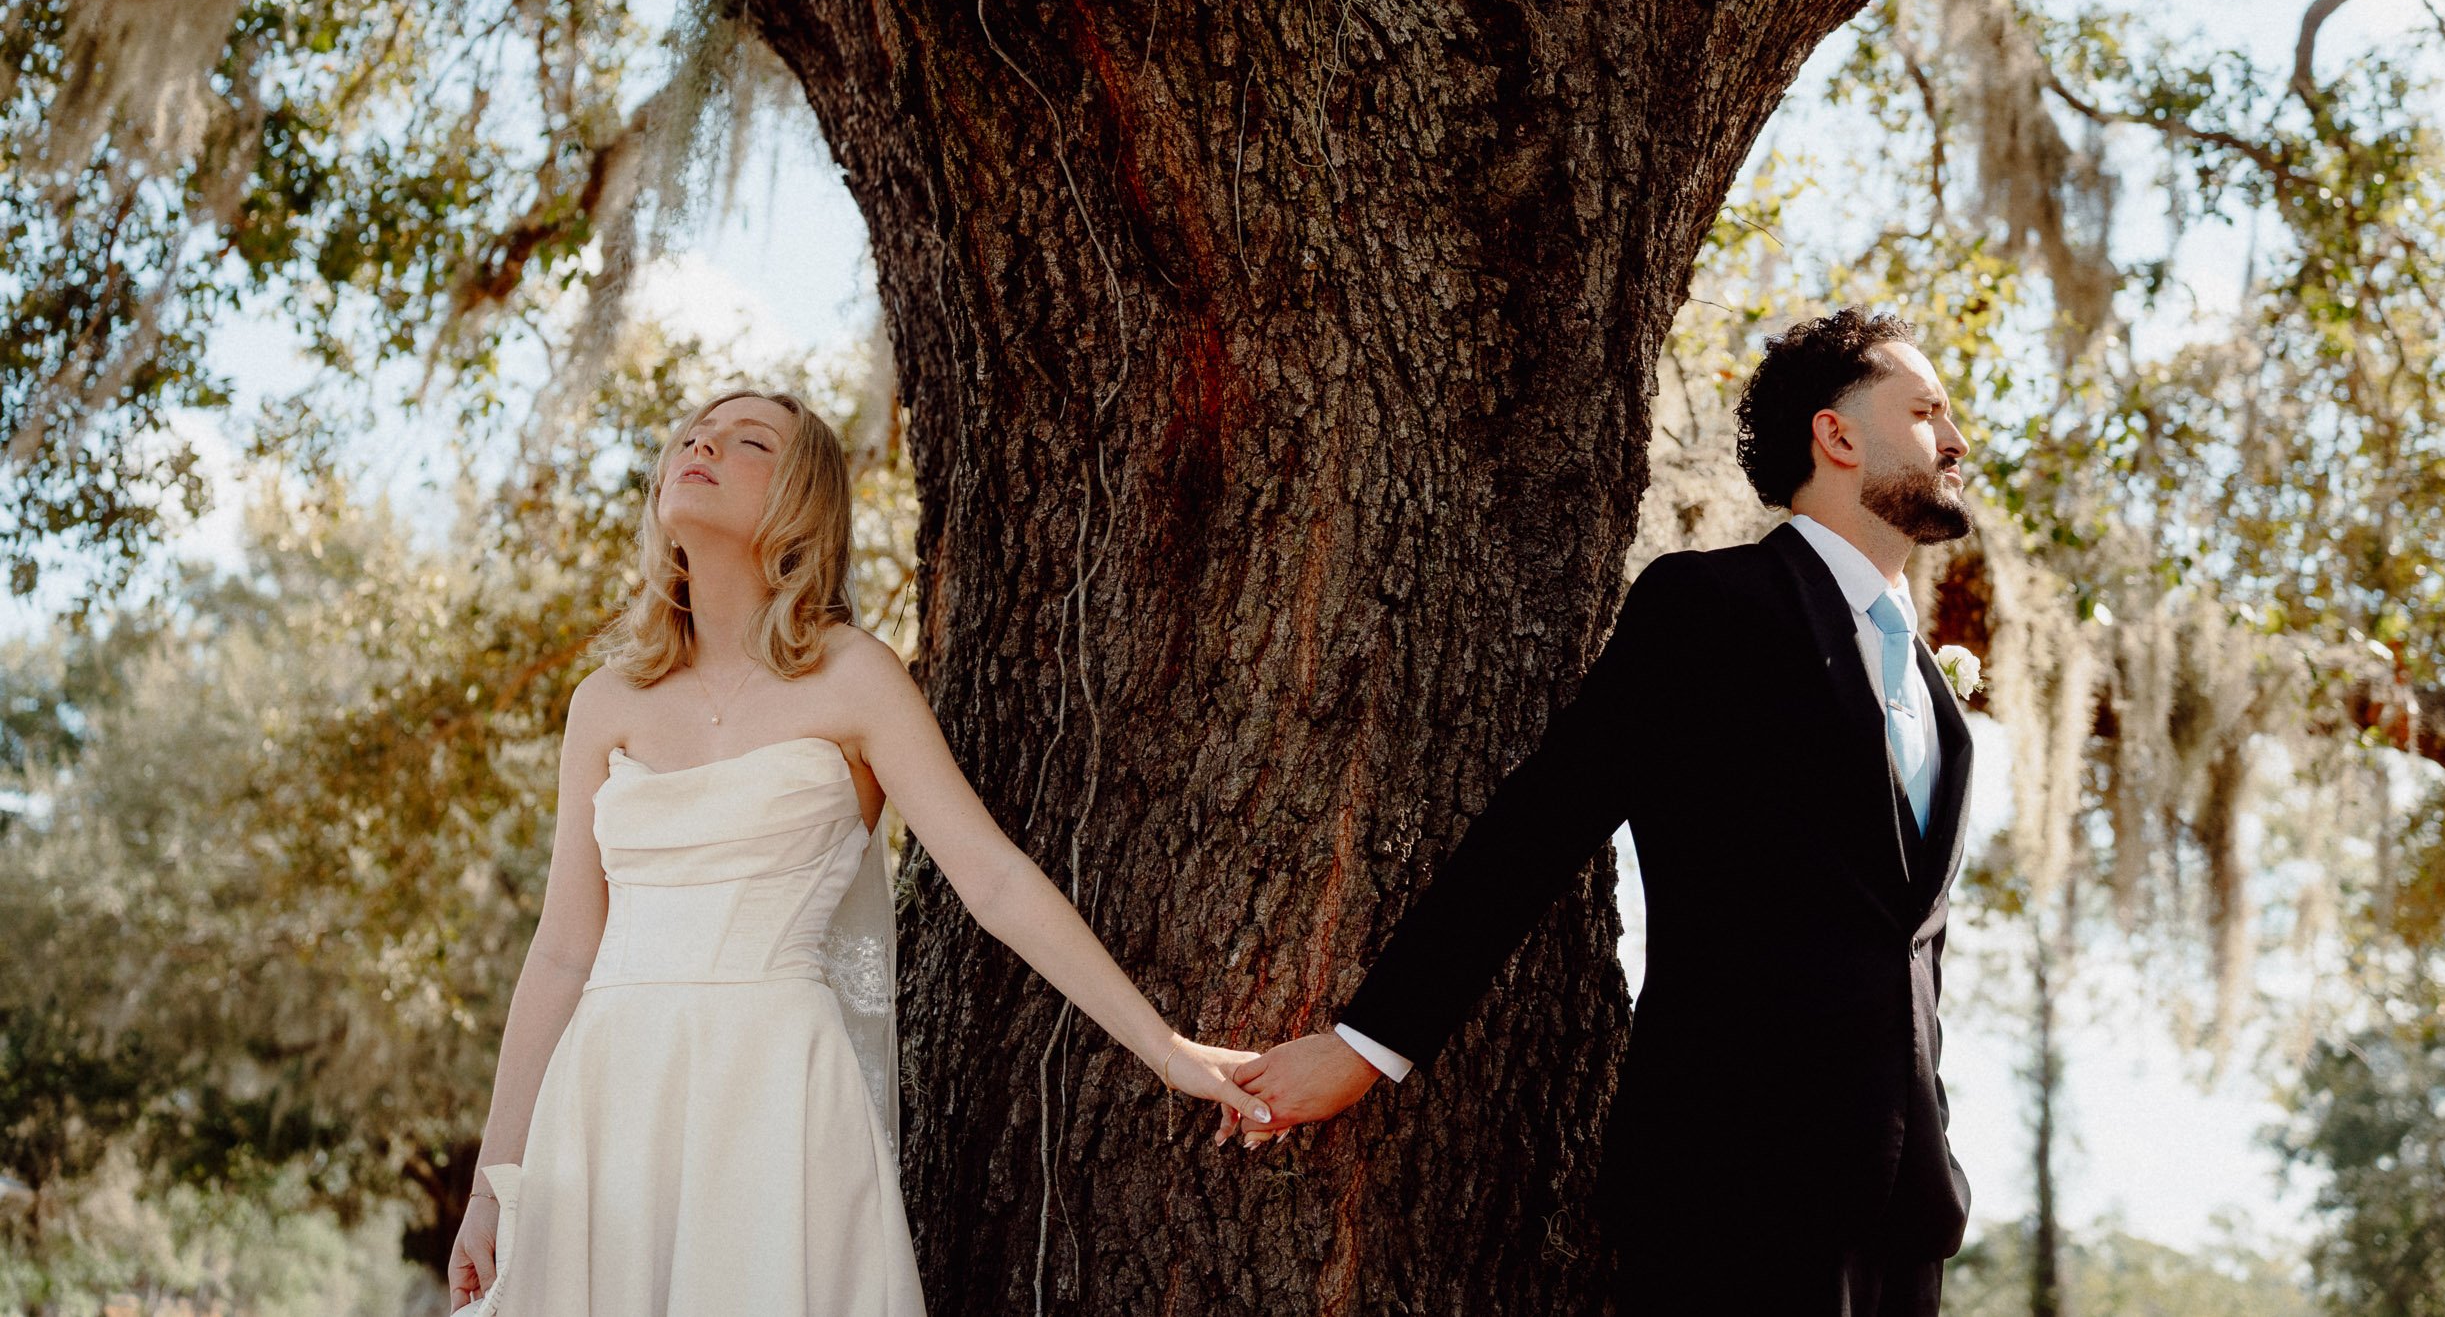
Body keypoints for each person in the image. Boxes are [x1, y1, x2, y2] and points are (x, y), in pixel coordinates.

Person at [446, 390, 1270, 1315]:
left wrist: (1165, 1050)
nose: (703, 442)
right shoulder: (606, 699)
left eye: (747, 438)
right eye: (691, 434)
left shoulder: (854, 676)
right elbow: (561, 950)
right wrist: (490, 1186)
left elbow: (993, 880)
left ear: (802, 500)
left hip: (776, 1098)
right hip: (605, 1102)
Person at [1228, 308, 1979, 1316]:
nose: (1956, 437)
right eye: (1925, 409)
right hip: (1734, 1193)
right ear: (1834, 434)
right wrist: (1368, 1043)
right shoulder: (1712, 606)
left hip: (1905, 1215)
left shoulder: (1935, 691)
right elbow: (1542, 823)